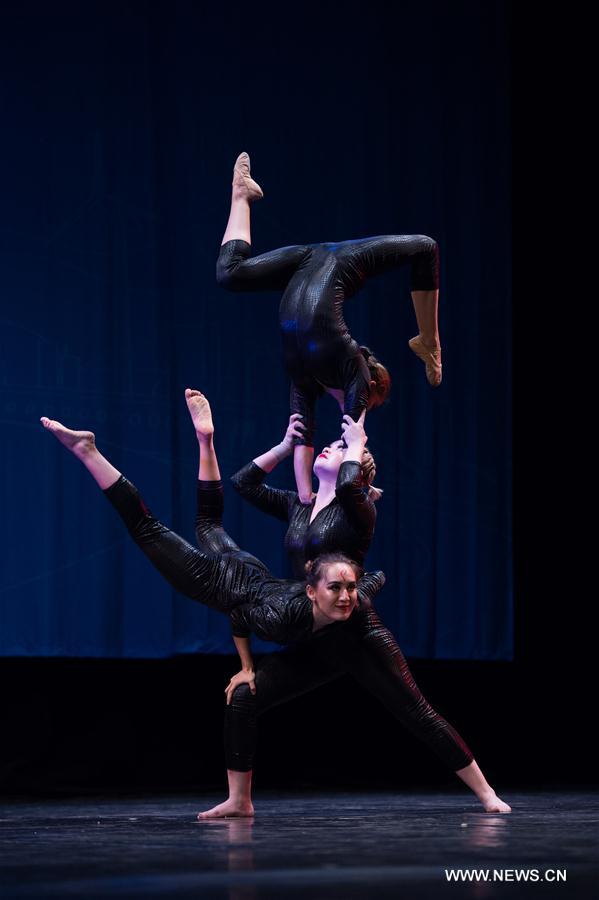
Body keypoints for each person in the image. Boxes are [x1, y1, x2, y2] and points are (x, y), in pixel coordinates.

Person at [181, 391, 511, 818]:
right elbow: (245, 483)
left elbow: (355, 484)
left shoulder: (357, 510)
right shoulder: (299, 507)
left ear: (354, 468)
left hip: (357, 633)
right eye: (333, 445)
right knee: (243, 698)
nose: (328, 447)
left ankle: (486, 793)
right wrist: (284, 447)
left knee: (416, 712)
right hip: (315, 635)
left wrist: (356, 445)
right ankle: (239, 801)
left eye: (336, 449)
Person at [216, 151, 442, 502]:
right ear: (374, 384)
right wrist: (355, 452)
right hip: (348, 260)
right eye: (372, 400)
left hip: (306, 262)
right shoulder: (355, 371)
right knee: (425, 248)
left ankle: (241, 194)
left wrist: (306, 497)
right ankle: (429, 340)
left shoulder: (308, 380)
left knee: (230, 274)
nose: (363, 403)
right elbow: (355, 432)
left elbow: (302, 435)